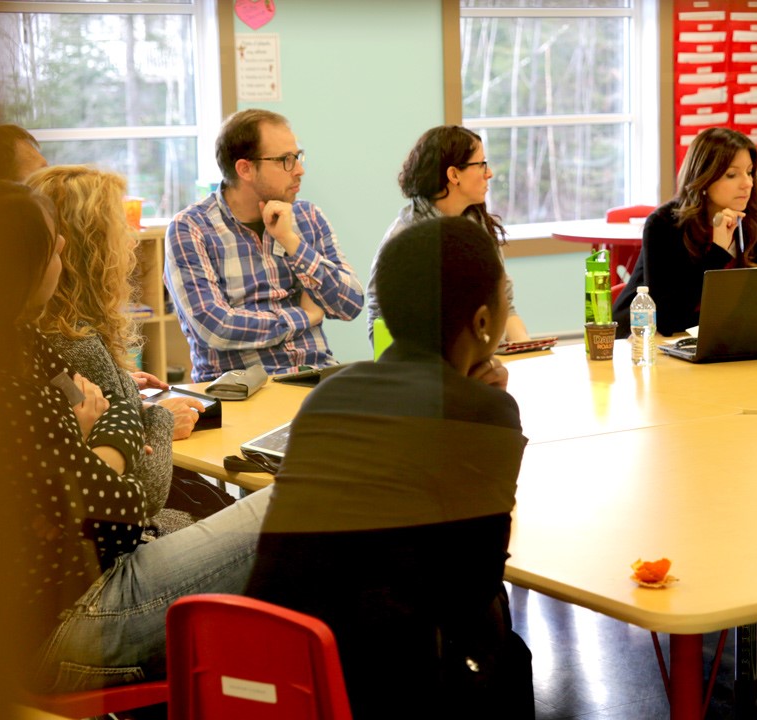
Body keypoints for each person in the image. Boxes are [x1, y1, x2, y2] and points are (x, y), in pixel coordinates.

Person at [247, 216, 534, 717]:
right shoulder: (485, 410)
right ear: (483, 321)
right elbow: (474, 586)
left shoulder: (328, 394)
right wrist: (479, 408)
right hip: (383, 684)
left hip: (281, 672)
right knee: (505, 642)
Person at [1, 182, 271, 694]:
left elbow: (106, 418)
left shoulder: (24, 342)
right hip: (62, 622)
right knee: (289, 511)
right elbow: (123, 511)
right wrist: (133, 424)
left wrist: (100, 433)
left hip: (83, 582)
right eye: (52, 241)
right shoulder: (12, 385)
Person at [27, 165, 230, 535]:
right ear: (92, 247)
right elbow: (145, 494)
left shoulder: (43, 333)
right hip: (133, 538)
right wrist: (159, 419)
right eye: (122, 227)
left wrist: (122, 387)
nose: (132, 241)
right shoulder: (76, 345)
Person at [165, 109, 365, 381]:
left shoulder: (307, 217)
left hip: (317, 376)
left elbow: (351, 304)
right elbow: (216, 328)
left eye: (297, 157)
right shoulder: (191, 228)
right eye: (285, 160)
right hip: (241, 389)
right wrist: (305, 317)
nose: (299, 170)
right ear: (245, 169)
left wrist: (292, 243)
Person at [367, 125, 529, 346]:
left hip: (488, 357)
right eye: (481, 164)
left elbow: (506, 306)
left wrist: (526, 349)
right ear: (453, 175)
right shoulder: (404, 239)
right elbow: (381, 325)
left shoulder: (479, 225)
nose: (489, 173)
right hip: (431, 363)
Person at [610, 126, 757, 338]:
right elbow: (667, 319)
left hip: (716, 335)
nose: (748, 183)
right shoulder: (664, 224)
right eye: (732, 175)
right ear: (704, 178)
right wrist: (718, 252)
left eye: (750, 172)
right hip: (644, 338)